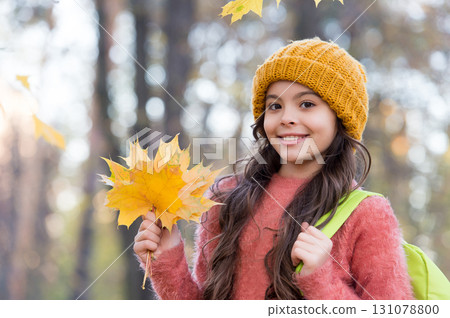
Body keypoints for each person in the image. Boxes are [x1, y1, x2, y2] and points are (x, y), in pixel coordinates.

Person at [133, 37, 414, 300]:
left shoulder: (367, 214)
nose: (287, 118)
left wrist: (320, 280)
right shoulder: (226, 197)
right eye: (275, 106)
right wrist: (167, 259)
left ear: (341, 119)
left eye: (306, 104)